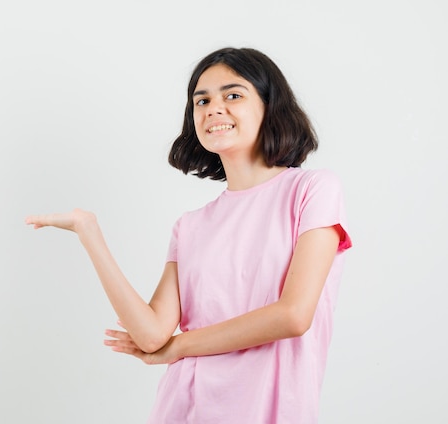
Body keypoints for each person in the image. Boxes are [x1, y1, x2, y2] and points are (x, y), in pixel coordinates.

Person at [26, 47, 352, 424]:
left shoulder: (312, 190)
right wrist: (89, 233)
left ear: (270, 105)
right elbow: (150, 337)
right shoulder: (190, 226)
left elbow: (293, 316)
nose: (213, 108)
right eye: (202, 100)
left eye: (233, 95)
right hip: (184, 408)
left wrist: (179, 346)